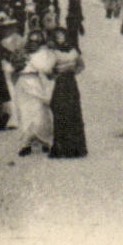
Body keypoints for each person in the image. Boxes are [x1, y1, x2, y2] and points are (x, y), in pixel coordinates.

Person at [47, 27, 87, 158]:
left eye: (62, 35)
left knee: (73, 111)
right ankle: (61, 147)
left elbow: (81, 65)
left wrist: (73, 71)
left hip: (71, 83)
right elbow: (48, 70)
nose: (60, 38)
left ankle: (75, 148)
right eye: (57, 36)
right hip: (60, 84)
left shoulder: (73, 49)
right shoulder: (52, 52)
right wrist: (56, 74)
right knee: (61, 111)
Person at [15, 31, 56, 156]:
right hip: (22, 83)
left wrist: (31, 60)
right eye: (31, 40)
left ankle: (44, 140)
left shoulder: (43, 53)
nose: (33, 43)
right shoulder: (22, 52)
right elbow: (14, 67)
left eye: (36, 40)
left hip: (34, 82)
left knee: (39, 112)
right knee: (24, 112)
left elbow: (45, 68)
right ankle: (26, 142)